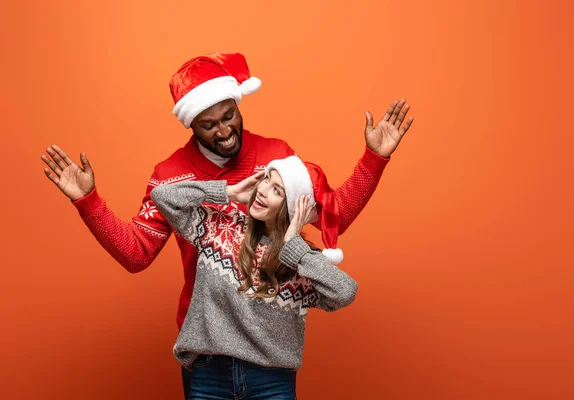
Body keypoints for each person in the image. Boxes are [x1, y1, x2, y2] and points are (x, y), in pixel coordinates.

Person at [40, 52, 414, 398]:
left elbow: (336, 215)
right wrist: (87, 201)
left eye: (229, 116)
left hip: (270, 348)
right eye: (208, 125)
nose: (223, 131)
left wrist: (374, 159)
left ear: (237, 105)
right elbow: (136, 253)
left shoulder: (277, 157)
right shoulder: (170, 175)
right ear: (192, 126)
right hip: (207, 351)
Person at [150, 154, 359, 399]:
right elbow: (162, 197)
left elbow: (345, 291)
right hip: (210, 377)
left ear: (292, 207)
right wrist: (227, 192)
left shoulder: (302, 262)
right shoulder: (218, 228)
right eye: (266, 180)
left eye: (277, 191)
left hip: (272, 383)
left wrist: (294, 246)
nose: (262, 190)